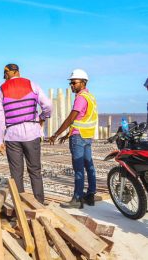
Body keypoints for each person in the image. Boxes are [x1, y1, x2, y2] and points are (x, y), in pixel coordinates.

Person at [0, 63, 52, 203]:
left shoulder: (2, 89)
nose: (5, 78)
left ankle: (20, 205)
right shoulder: (32, 84)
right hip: (32, 133)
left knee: (16, 174)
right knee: (35, 171)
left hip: (12, 136)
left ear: (8, 73)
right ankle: (39, 203)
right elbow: (48, 105)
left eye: (5, 75)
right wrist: (43, 117)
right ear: (18, 72)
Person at [49, 69, 97, 209]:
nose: (71, 85)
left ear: (83, 82)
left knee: (78, 169)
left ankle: (77, 199)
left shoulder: (81, 98)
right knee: (89, 166)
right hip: (87, 136)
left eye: (74, 82)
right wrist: (67, 134)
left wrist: (56, 134)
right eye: (71, 83)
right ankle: (90, 195)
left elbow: (71, 118)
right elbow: (82, 119)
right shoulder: (90, 97)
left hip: (79, 138)